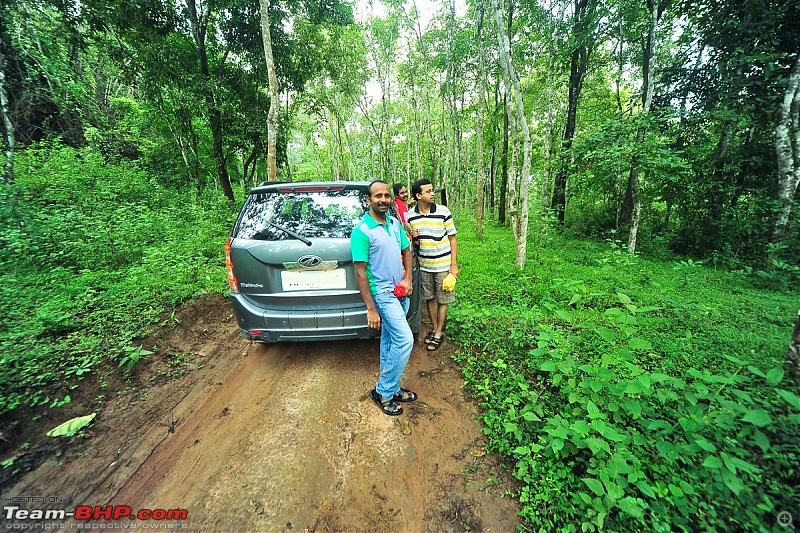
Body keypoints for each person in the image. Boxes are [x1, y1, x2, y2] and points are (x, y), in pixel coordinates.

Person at [351, 180, 417, 416]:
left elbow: (406, 250)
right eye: (378, 196)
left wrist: (408, 279)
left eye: (387, 196)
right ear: (368, 200)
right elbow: (360, 272)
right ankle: (383, 391)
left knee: (389, 341)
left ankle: (393, 386)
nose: (384, 200)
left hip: (400, 292)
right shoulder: (362, 231)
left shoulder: (394, 223)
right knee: (405, 340)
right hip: (382, 295)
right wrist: (371, 308)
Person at [407, 178, 458, 352]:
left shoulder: (443, 211)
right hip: (424, 265)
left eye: (432, 190)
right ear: (418, 195)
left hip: (443, 265)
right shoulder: (410, 216)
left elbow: (452, 239)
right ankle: (436, 329)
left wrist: (454, 265)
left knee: (443, 300)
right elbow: (411, 244)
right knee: (429, 297)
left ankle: (438, 332)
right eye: (428, 191)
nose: (432, 194)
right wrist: (413, 237)